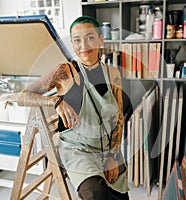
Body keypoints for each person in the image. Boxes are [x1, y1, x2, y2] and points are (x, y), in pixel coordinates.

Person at [17, 16, 129, 200]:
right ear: (72, 44)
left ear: (101, 39)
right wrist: (54, 102)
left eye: (90, 37)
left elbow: (118, 117)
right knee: (96, 193)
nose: (84, 45)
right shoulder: (63, 72)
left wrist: (113, 156)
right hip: (78, 150)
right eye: (77, 40)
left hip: (106, 148)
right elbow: (23, 96)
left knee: (119, 196)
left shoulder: (113, 74)